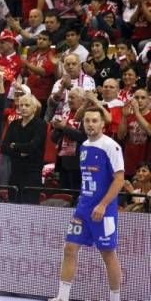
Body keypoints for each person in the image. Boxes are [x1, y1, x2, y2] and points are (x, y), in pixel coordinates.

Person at [49, 107, 124, 301]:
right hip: (83, 210)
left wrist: (103, 205)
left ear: (102, 124)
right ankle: (62, 297)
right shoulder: (83, 146)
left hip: (103, 211)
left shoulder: (111, 146)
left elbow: (119, 180)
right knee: (69, 249)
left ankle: (115, 299)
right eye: (87, 121)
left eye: (94, 121)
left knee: (108, 254)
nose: (90, 124)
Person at [1, 94, 46, 204]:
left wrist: (14, 146)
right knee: (13, 204)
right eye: (21, 105)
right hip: (15, 172)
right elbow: (4, 147)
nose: (23, 108)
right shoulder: (14, 124)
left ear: (34, 108)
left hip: (32, 173)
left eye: (27, 105)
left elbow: (32, 147)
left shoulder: (40, 124)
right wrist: (20, 152)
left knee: (29, 206)